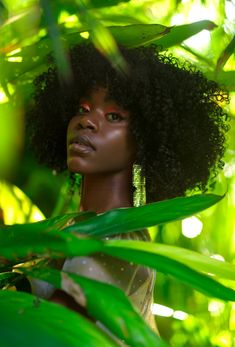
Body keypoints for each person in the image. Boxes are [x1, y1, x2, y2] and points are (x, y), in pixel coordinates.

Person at [26, 43, 229, 328]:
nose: (87, 121)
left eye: (114, 116)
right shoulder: (67, 228)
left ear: (146, 141)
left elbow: (51, 329)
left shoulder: (118, 239)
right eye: (82, 108)